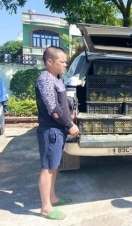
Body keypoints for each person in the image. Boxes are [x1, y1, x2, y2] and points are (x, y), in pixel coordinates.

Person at [35, 46, 80, 220]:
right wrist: (69, 124)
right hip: (51, 130)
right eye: (62, 62)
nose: (65, 65)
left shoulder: (56, 78)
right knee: (48, 168)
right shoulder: (45, 80)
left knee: (54, 167)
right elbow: (53, 109)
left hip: (57, 130)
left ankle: (53, 197)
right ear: (49, 62)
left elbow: (61, 103)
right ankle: (46, 207)